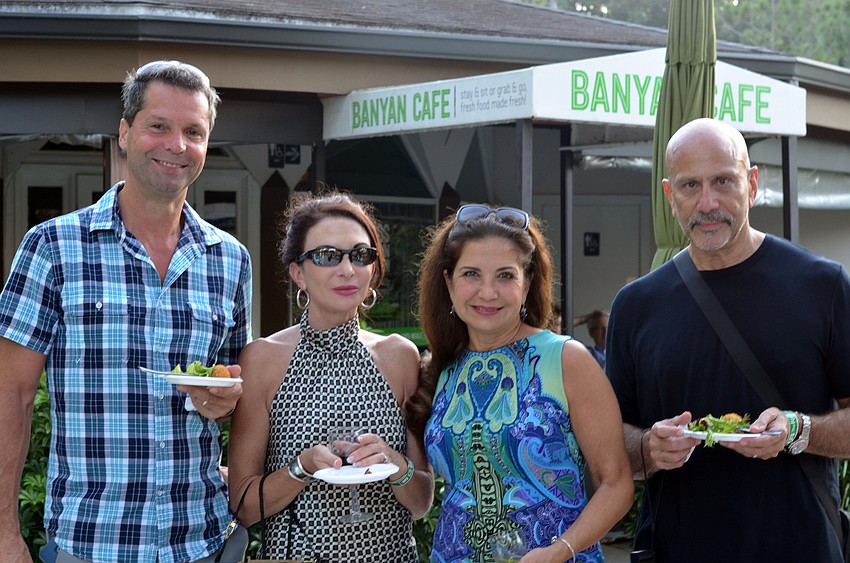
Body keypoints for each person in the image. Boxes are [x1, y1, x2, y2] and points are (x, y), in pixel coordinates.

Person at [0, 60, 252, 563]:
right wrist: (5, 533)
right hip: (92, 544)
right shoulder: (52, 247)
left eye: (193, 132)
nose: (176, 145)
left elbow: (235, 385)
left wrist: (224, 401)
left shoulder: (230, 260)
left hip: (199, 542)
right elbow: (11, 393)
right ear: (124, 132)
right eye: (158, 126)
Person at [607, 118, 850, 562]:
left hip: (801, 548)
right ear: (669, 197)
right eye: (689, 186)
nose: (708, 202)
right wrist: (647, 447)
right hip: (677, 550)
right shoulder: (635, 305)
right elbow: (608, 442)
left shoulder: (823, 285)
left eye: (723, 180)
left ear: (752, 184)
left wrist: (800, 430)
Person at [408, 203, 633, 562]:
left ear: (527, 283)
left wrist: (560, 551)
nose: (487, 292)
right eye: (471, 274)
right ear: (448, 283)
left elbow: (617, 483)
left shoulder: (566, 359)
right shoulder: (441, 367)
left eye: (505, 276)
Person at [226, 191, 433, 562]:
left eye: (360, 255)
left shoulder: (400, 356)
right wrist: (301, 468)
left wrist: (395, 464)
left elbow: (420, 502)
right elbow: (243, 506)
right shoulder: (264, 359)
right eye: (326, 256)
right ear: (298, 272)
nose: (347, 269)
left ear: (374, 269)